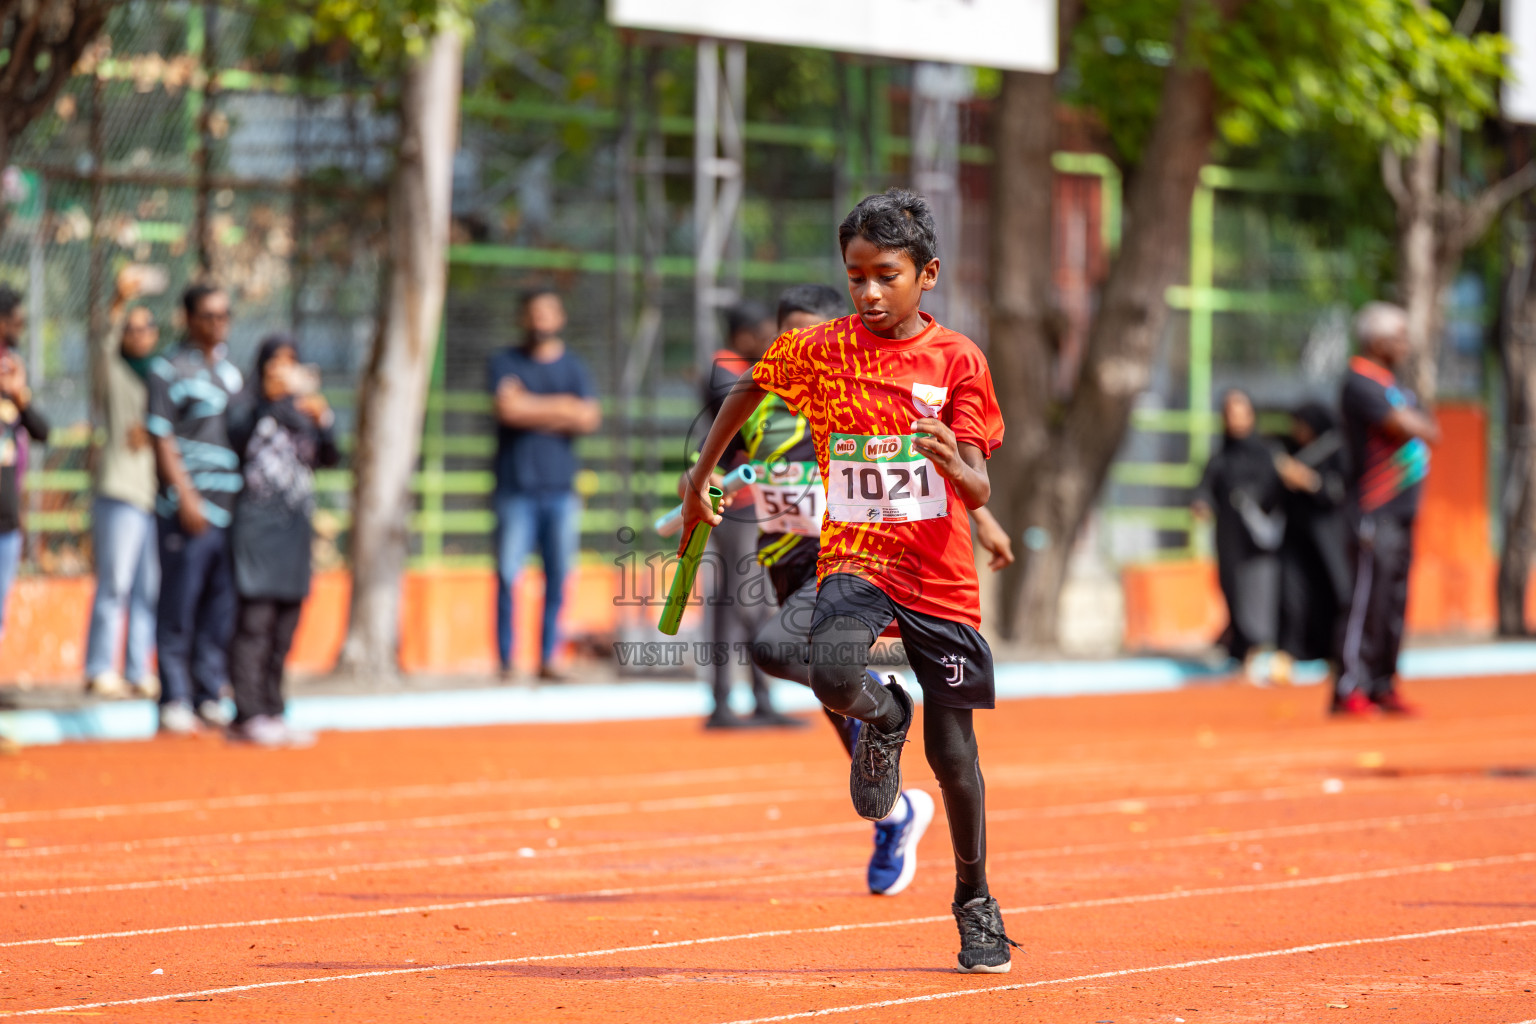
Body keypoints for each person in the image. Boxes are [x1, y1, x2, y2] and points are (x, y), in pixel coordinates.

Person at [680, 189, 1019, 973]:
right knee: (796, 654)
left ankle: (976, 902)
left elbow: (978, 489)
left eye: (886, 276)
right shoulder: (824, 349)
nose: (868, 292)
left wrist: (953, 463)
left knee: (957, 755)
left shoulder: (958, 359)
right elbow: (750, 386)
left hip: (938, 577)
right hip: (855, 561)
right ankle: (883, 712)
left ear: (926, 275)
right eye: (856, 275)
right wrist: (701, 475)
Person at [744, 281, 1016, 898]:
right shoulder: (766, 412)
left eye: (812, 332)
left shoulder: (873, 374)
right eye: (789, 338)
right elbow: (729, 466)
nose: (806, 349)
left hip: (855, 556)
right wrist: (703, 483)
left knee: (790, 654)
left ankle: (941, 860)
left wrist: (986, 518)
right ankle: (891, 798)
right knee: (827, 680)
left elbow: (932, 465)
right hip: (790, 562)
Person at [225, 336, 337, 746]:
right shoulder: (246, 405)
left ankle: (273, 708)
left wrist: (325, 421)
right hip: (257, 525)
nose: (285, 372)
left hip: (295, 527)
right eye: (277, 364)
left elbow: (330, 458)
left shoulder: (303, 411)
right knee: (255, 622)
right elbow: (235, 436)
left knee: (286, 624)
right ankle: (246, 713)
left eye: (292, 363)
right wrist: (267, 400)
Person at [489, 287, 601, 682]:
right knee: (507, 574)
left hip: (561, 491)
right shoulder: (504, 362)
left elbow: (589, 417)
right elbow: (507, 409)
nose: (541, 321)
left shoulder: (574, 367)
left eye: (547, 313)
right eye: (533, 313)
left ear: (560, 318)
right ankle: (505, 660)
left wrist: (530, 407)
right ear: (523, 318)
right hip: (514, 488)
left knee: (559, 576)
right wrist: (562, 408)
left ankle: (549, 657)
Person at [1334, 302, 1440, 716]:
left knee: (1393, 601)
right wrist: (1414, 423)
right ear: (1377, 341)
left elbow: (1431, 429)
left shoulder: (1394, 385)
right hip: (1372, 510)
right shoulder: (1359, 381)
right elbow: (1405, 425)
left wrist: (1417, 423)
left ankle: (1382, 682)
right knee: (1365, 602)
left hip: (1402, 513)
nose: (1406, 344)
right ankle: (1349, 686)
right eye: (1399, 336)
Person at [147, 283, 243, 735]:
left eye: (225, 315)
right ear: (188, 318)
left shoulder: (232, 373)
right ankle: (174, 696)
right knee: (178, 606)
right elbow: (161, 436)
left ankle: (207, 692)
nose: (218, 324)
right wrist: (186, 496)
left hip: (229, 513)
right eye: (209, 315)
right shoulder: (167, 370)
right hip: (186, 511)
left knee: (219, 609)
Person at [699, 299, 799, 729]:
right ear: (742, 335)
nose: (768, 341)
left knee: (731, 600)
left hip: (746, 497)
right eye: (761, 333)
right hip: (734, 500)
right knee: (747, 598)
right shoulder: (727, 367)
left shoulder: (751, 367)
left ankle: (735, 698)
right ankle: (751, 695)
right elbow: (753, 418)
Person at [83, 269, 162, 700]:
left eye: (146, 326)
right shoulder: (114, 376)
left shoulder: (161, 376)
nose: (138, 333)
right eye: (131, 327)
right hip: (119, 489)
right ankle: (99, 667)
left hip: (152, 495)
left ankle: (136, 668)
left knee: (147, 588)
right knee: (114, 583)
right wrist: (118, 300)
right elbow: (101, 343)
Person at [1193, 389, 1284, 684]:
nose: (1235, 418)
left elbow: (1277, 491)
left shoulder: (1268, 454)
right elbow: (1205, 488)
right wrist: (1202, 503)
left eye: (1241, 411)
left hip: (1258, 542)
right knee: (1232, 592)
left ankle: (1255, 656)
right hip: (1229, 539)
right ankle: (1239, 654)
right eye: (1229, 412)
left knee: (1257, 597)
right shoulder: (1219, 458)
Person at [1274, 401, 1351, 685]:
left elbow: (1340, 491)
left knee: (1334, 594)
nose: (1298, 431)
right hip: (1296, 538)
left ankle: (1337, 657)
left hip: (1329, 538)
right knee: (1292, 596)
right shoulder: (1291, 450)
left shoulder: (1337, 448)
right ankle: (1288, 656)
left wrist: (1310, 482)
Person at [0, 285, 48, 648]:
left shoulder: (13, 368)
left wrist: (20, 395)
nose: (21, 325)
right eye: (16, 319)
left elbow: (42, 431)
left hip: (7, 517)